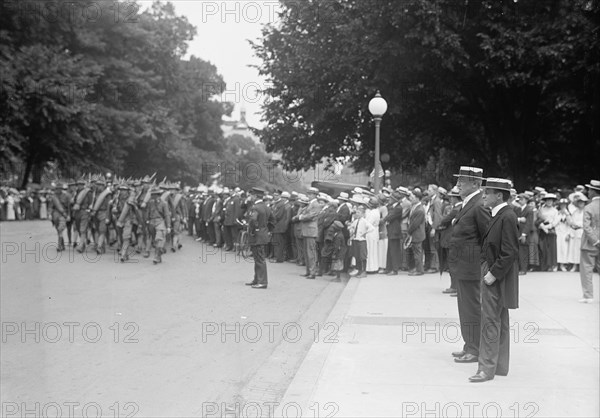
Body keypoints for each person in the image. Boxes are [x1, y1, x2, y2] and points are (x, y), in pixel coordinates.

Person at [469, 178, 519, 383]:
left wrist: (492, 273)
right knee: (500, 320)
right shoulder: (500, 214)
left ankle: (486, 368)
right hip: (495, 273)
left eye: (487, 192)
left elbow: (510, 252)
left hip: (495, 275)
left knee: (490, 321)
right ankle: (499, 366)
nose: (484, 196)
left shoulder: (506, 216)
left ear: (499, 195)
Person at [449, 166, 491, 364]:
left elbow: (488, 238)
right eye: (458, 180)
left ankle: (475, 349)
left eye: (462, 181)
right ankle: (469, 345)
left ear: (475, 184)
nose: (458, 184)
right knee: (465, 308)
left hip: (472, 267)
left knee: (471, 308)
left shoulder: (479, 205)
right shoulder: (469, 203)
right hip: (463, 267)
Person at [245, 188, 274, 289]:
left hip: (256, 236)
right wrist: (266, 230)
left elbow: (253, 221)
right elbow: (272, 221)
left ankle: (262, 282)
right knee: (258, 258)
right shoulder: (266, 207)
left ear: (255, 196)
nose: (251, 197)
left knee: (259, 259)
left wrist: (253, 231)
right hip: (262, 235)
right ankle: (257, 279)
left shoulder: (255, 207)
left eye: (252, 195)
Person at [579, 180, 600, 303]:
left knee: (587, 269)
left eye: (589, 190)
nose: (588, 192)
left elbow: (587, 227)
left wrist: (596, 241)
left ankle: (588, 295)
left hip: (590, 244)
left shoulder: (589, 207)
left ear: (593, 191)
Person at [438, 187, 462, 294]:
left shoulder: (456, 209)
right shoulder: (457, 208)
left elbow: (444, 220)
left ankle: (454, 286)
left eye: (452, 197)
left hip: (451, 239)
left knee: (453, 264)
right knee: (452, 264)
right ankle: (454, 286)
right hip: (451, 239)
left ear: (455, 198)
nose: (451, 199)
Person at [298, 187, 322, 279]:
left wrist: (300, 217)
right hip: (307, 230)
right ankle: (309, 271)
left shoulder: (316, 204)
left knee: (311, 252)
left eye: (310, 194)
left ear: (315, 195)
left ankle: (312, 272)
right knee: (307, 252)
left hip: (311, 230)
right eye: (308, 193)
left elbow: (311, 216)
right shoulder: (311, 204)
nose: (308, 195)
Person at [349, 203, 375, 278]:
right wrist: (351, 230)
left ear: (363, 214)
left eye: (359, 213)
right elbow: (351, 226)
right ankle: (359, 270)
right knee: (357, 256)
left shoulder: (364, 221)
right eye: (357, 212)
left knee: (362, 256)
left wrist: (365, 233)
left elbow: (371, 228)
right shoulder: (356, 221)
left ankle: (363, 271)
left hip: (361, 240)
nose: (357, 214)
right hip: (356, 239)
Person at [146, 187, 171, 264]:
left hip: (160, 222)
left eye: (155, 194)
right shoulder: (150, 203)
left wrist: (168, 226)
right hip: (151, 223)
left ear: (159, 195)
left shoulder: (164, 203)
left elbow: (167, 215)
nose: (153, 196)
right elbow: (148, 212)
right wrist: (147, 220)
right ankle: (160, 254)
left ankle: (156, 257)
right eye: (152, 194)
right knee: (155, 242)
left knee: (159, 239)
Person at [537, 194, 559, 272]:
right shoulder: (541, 209)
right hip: (542, 229)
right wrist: (542, 226)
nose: (549, 202)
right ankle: (543, 265)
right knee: (543, 247)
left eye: (551, 200)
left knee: (551, 248)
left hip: (550, 230)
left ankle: (551, 265)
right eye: (547, 200)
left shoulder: (555, 211)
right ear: (545, 201)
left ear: (553, 202)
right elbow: (538, 218)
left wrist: (548, 227)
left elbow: (556, 221)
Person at [567, 192, 588, 272]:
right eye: (579, 202)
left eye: (582, 202)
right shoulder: (575, 212)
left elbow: (586, 222)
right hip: (575, 231)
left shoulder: (586, 211)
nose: (580, 204)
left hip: (582, 231)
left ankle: (582, 266)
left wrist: (579, 225)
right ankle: (574, 265)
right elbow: (572, 221)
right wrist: (572, 225)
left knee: (581, 250)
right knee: (574, 249)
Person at [515, 193, 535, 275]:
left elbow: (529, 223)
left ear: (526, 200)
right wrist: (520, 219)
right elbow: (514, 219)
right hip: (517, 232)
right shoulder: (517, 209)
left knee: (523, 251)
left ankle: (523, 269)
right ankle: (518, 268)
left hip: (524, 233)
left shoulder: (529, 210)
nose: (520, 200)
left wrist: (524, 234)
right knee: (517, 251)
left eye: (522, 199)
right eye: (519, 199)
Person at [365, 197, 381, 273]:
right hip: (374, 231)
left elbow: (368, 223)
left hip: (371, 232)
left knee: (370, 250)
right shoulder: (376, 211)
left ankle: (370, 268)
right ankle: (374, 267)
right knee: (373, 250)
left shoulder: (373, 213)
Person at [556, 198, 572, 271]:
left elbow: (570, 224)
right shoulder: (557, 212)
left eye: (564, 205)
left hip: (565, 232)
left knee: (564, 249)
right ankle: (556, 264)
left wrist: (569, 234)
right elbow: (555, 222)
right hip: (558, 232)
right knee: (557, 248)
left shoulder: (569, 213)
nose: (563, 206)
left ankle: (563, 264)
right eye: (562, 205)